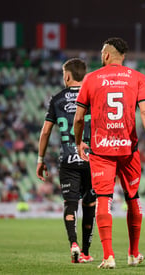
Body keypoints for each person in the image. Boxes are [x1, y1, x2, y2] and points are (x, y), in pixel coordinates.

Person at [74, 37, 145, 269]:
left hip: (101, 150)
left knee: (104, 199)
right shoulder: (137, 77)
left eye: (102, 52)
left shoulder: (91, 79)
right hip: (128, 149)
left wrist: (79, 142)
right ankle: (133, 254)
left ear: (106, 55)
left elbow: (79, 117)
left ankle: (109, 256)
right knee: (133, 197)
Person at [36, 58, 96, 264]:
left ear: (67, 76)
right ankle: (87, 252)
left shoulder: (57, 99)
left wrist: (40, 159)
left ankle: (74, 244)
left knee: (70, 204)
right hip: (92, 160)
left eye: (63, 74)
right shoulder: (93, 96)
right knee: (90, 204)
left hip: (68, 160)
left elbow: (45, 132)